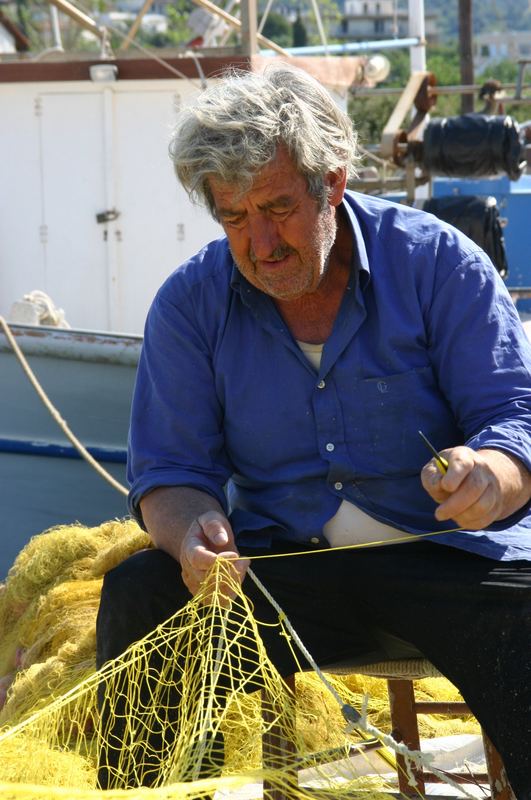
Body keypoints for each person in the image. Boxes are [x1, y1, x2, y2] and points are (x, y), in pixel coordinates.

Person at [96, 64, 531, 796]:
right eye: (233, 218)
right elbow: (169, 475)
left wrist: (488, 474)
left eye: (275, 208)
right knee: (141, 596)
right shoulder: (189, 304)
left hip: (448, 561)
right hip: (282, 569)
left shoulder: (437, 262)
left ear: (332, 182)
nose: (260, 243)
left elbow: (513, 419)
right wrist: (192, 529)